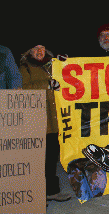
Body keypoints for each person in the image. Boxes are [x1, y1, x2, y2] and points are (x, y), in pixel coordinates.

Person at [19, 45, 72, 203]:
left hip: (54, 119)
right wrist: (47, 85)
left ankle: (52, 191)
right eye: (35, 48)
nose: (39, 51)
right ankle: (34, 194)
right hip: (36, 119)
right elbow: (23, 88)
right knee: (37, 158)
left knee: (51, 157)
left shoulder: (51, 64)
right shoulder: (25, 67)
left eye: (42, 48)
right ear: (29, 51)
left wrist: (66, 63)